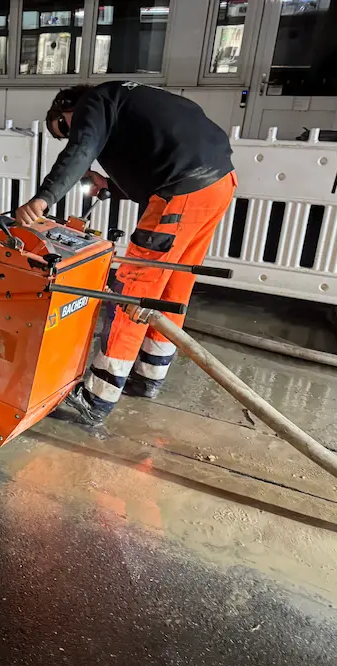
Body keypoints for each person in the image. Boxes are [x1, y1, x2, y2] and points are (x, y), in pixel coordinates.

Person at [16, 82, 237, 426]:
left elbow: (81, 150)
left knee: (134, 292)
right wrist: (110, 185)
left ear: (68, 108)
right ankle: (148, 376)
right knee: (170, 290)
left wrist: (43, 199)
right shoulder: (128, 98)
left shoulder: (95, 100)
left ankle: (96, 397)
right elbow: (156, 155)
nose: (70, 134)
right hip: (218, 184)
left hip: (180, 191)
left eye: (65, 128)